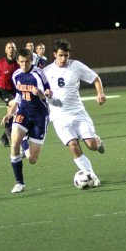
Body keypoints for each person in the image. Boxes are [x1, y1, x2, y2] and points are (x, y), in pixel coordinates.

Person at [43, 39, 106, 187]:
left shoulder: (76, 66)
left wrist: (100, 94)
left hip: (78, 113)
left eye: (66, 55)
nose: (64, 58)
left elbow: (95, 78)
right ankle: (92, 176)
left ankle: (98, 141)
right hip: (59, 117)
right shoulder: (46, 72)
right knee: (73, 145)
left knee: (91, 145)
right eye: (60, 55)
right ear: (54, 55)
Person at [1, 48, 52, 194]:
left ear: (31, 60)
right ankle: (19, 183)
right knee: (14, 143)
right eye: (22, 62)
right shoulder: (16, 75)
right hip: (23, 112)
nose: (24, 64)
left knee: (32, 159)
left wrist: (41, 93)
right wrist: (10, 113)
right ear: (17, 62)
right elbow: (18, 96)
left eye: (27, 61)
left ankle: (27, 142)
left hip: (39, 116)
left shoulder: (38, 74)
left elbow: (47, 96)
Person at [0, 41, 19, 146]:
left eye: (13, 47)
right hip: (4, 90)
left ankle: (5, 137)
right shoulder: (0, 63)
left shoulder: (19, 63)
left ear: (15, 49)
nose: (11, 49)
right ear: (6, 50)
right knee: (16, 107)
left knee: (11, 112)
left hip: (15, 90)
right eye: (9, 47)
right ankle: (12, 138)